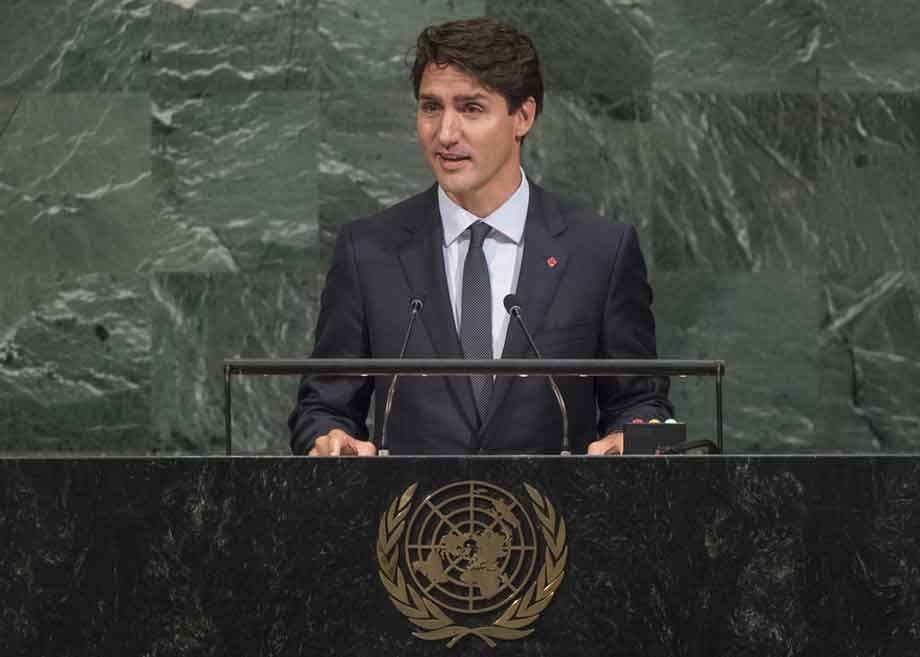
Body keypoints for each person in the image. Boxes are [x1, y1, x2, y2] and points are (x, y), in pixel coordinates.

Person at [289, 17, 672, 456]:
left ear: (522, 116)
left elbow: (648, 407)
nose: (445, 133)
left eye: (471, 108)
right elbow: (320, 408)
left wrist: (636, 439)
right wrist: (329, 440)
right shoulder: (368, 252)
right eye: (431, 107)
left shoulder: (601, 251)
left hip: (557, 519)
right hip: (411, 519)